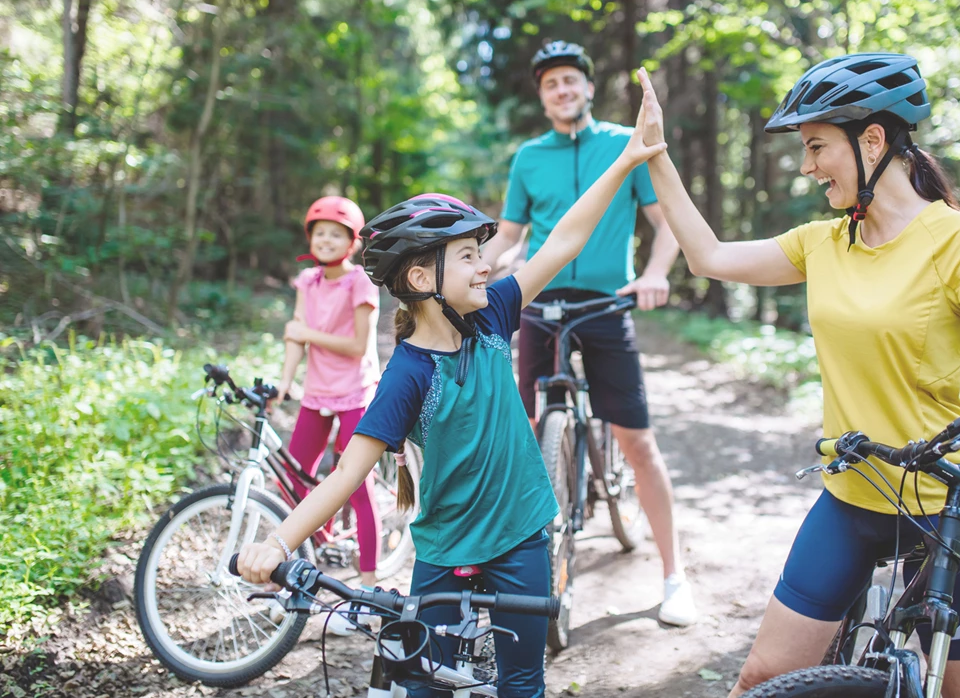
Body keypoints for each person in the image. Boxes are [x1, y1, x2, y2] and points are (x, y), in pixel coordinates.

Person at [634, 55, 960, 698]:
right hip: (852, 494)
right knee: (762, 679)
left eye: (817, 146)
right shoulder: (823, 242)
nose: (806, 166)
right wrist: (655, 155)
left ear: (873, 140)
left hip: (946, 506)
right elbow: (708, 256)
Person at [237, 92, 667, 697]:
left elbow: (563, 239)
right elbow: (345, 475)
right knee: (425, 686)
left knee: (522, 686)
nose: (485, 266)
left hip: (521, 537)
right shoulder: (407, 374)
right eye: (468, 256)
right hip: (444, 551)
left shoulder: (493, 316)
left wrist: (625, 162)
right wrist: (278, 542)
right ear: (421, 279)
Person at [479, 40, 696, 627]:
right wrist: (479, 269)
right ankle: (513, 561)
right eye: (551, 83)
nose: (562, 90)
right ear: (542, 95)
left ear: (588, 87)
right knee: (525, 429)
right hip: (539, 301)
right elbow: (508, 235)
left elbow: (665, 223)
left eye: (571, 80)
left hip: (606, 304)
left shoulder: (622, 144)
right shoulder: (529, 156)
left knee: (638, 443)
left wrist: (653, 274)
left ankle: (675, 577)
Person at [274, 196, 382, 636]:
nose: (326, 239)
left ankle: (371, 590)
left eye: (336, 233)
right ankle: (297, 575)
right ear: (309, 238)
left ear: (352, 243)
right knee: (292, 480)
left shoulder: (361, 284)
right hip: (316, 393)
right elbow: (295, 338)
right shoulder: (307, 281)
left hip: (356, 391)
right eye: (319, 232)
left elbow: (358, 346)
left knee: (356, 486)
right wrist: (283, 383)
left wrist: (307, 333)